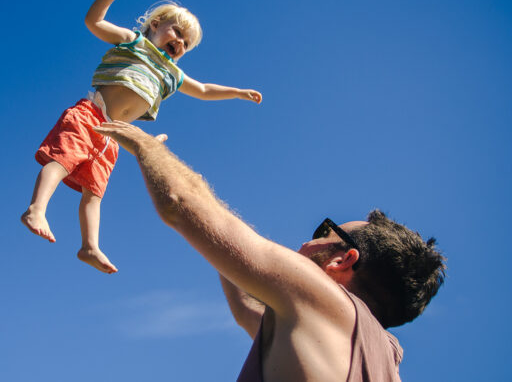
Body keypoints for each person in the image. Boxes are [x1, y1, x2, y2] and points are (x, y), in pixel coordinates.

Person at [94, 121, 446, 381]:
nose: (307, 242)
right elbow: (247, 305)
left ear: (343, 259)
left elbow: (178, 201)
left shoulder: (323, 298)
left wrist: (144, 144)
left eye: (324, 232)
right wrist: (220, 242)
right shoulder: (385, 358)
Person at [21, 0, 262, 274]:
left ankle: (89, 246)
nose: (180, 42)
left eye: (186, 43)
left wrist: (237, 92)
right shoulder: (133, 41)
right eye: (176, 32)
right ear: (156, 24)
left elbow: (202, 90)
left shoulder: (172, 74)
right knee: (62, 161)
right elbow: (93, 22)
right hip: (91, 113)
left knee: (94, 192)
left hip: (113, 136)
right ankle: (36, 209)